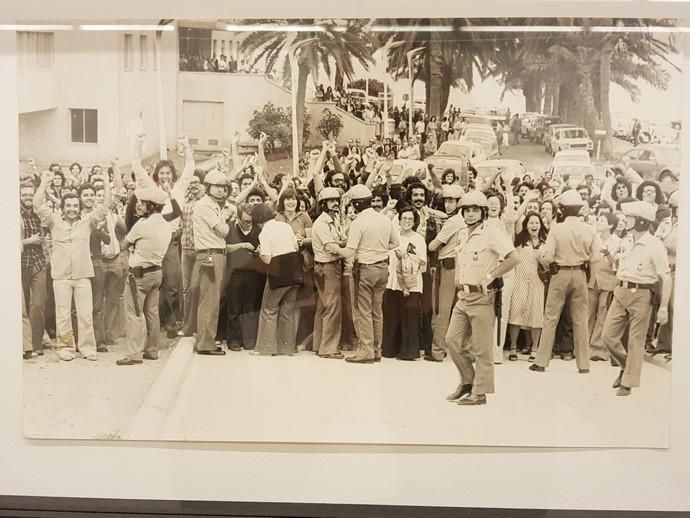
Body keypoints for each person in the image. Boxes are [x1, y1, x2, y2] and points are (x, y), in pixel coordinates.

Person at [445, 191, 519, 406]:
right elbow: (460, 258)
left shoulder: (492, 233)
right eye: (466, 210)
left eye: (475, 209)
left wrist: (491, 275)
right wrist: (458, 278)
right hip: (464, 296)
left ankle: (480, 392)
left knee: (481, 348)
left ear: (483, 212)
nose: (470, 214)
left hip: (483, 296)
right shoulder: (462, 234)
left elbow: (513, 258)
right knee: (452, 340)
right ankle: (468, 381)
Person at [34, 169, 110, 362]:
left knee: (85, 315)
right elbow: (37, 204)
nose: (72, 209)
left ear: (79, 206)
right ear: (63, 206)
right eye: (68, 205)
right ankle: (66, 348)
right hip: (61, 276)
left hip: (83, 274)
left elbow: (106, 206)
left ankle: (87, 348)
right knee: (63, 315)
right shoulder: (53, 221)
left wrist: (106, 181)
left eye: (75, 206)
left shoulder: (87, 222)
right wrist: (45, 181)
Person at [602, 201, 671, 396]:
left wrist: (663, 307)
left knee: (636, 340)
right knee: (607, 336)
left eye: (630, 217)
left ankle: (628, 383)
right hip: (621, 291)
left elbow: (665, 277)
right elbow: (616, 264)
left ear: (641, 221)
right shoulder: (626, 240)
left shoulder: (654, 245)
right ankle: (626, 366)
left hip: (642, 294)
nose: (626, 220)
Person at [529, 190, 601, 374]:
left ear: (562, 210)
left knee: (551, 317)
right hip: (580, 273)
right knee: (580, 319)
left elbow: (548, 255)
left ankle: (541, 361)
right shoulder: (590, 229)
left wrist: (544, 258)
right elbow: (596, 257)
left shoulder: (557, 229)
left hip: (560, 273)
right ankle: (583, 364)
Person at [335, 184, 399, 363]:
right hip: (382, 268)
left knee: (362, 311)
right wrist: (378, 249)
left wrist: (333, 247)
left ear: (356, 205)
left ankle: (366, 351)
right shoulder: (384, 219)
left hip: (364, 270)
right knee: (376, 311)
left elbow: (349, 251)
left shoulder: (359, 223)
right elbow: (395, 243)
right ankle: (377, 350)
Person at [116, 175, 172, 366]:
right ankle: (152, 350)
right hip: (156, 272)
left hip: (138, 275)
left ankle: (133, 354)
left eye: (142, 203)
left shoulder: (142, 225)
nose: (139, 206)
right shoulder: (166, 225)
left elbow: (124, 245)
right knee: (152, 312)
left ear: (151, 206)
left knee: (134, 314)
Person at [191, 169, 236, 355]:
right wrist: (225, 218)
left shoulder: (212, 205)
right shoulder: (205, 206)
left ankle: (204, 340)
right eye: (216, 187)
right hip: (210, 255)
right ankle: (206, 344)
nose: (221, 191)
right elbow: (223, 231)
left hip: (213, 254)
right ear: (208, 187)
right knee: (210, 301)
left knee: (209, 300)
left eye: (224, 188)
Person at [254, 203, 302, 356]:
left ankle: (266, 348)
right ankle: (287, 348)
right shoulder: (285, 226)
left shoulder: (264, 233)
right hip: (294, 269)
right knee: (288, 311)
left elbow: (267, 259)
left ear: (258, 221)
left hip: (278, 271)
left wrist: (260, 252)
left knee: (269, 309)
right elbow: (296, 247)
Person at [382, 204, 427, 361]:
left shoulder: (419, 239)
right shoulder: (393, 237)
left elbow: (423, 264)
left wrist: (406, 257)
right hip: (393, 281)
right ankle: (390, 349)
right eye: (404, 218)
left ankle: (409, 351)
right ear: (399, 220)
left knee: (410, 315)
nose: (407, 221)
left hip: (411, 283)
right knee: (392, 314)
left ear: (415, 221)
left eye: (410, 219)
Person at [427, 184, 465, 361]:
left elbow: (432, 245)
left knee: (442, 310)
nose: (448, 204)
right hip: (462, 267)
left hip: (448, 267)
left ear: (459, 202)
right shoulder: (464, 219)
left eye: (452, 201)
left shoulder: (452, 222)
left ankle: (437, 350)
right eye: (447, 201)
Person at [221, 203, 265, 351]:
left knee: (250, 308)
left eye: (251, 221)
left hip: (253, 273)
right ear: (238, 218)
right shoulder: (230, 229)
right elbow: (223, 248)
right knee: (234, 308)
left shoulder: (258, 230)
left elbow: (264, 249)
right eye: (245, 221)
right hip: (234, 273)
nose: (248, 224)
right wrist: (242, 245)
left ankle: (249, 340)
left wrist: (259, 251)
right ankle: (234, 340)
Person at [507, 212, 547, 361]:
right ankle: (513, 347)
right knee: (516, 312)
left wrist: (541, 258)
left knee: (536, 314)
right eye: (531, 223)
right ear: (526, 225)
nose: (534, 226)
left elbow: (548, 265)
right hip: (520, 280)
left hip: (537, 282)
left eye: (537, 223)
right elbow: (515, 218)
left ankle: (535, 349)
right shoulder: (520, 240)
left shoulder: (544, 242)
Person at [311, 187, 346, 359]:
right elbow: (331, 247)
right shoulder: (321, 223)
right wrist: (348, 249)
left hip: (329, 266)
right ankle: (329, 348)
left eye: (336, 201)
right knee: (333, 307)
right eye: (331, 201)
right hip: (326, 266)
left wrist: (341, 242)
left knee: (324, 307)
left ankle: (320, 345)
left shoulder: (334, 220)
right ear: (323, 204)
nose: (335, 204)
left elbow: (337, 241)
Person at [20, 182, 49, 357]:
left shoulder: (40, 213)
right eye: (25, 195)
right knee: (21, 308)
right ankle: (25, 344)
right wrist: (29, 241)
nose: (28, 198)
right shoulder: (13, 214)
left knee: (38, 305)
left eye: (31, 195)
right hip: (20, 265)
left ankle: (37, 344)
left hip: (38, 263)